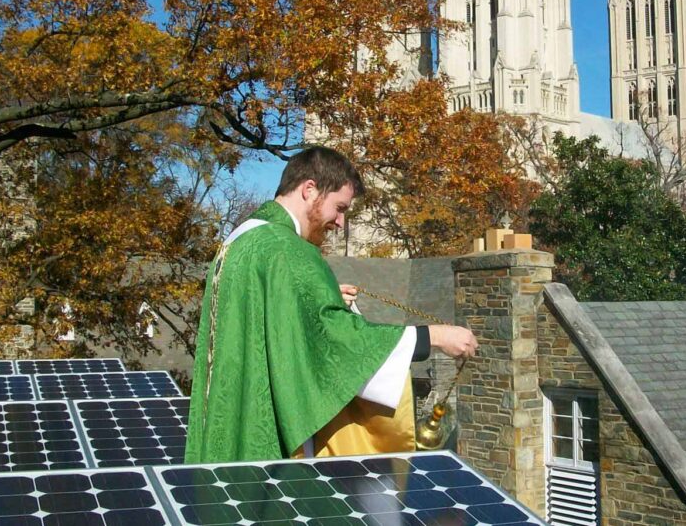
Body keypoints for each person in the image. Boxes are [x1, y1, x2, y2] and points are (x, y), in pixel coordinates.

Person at [184, 146, 477, 463]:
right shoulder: (289, 250)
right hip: (263, 440)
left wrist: (318, 297)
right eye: (339, 207)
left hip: (230, 420)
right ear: (309, 189)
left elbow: (267, 320)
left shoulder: (243, 240)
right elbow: (336, 340)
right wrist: (432, 336)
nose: (340, 222)